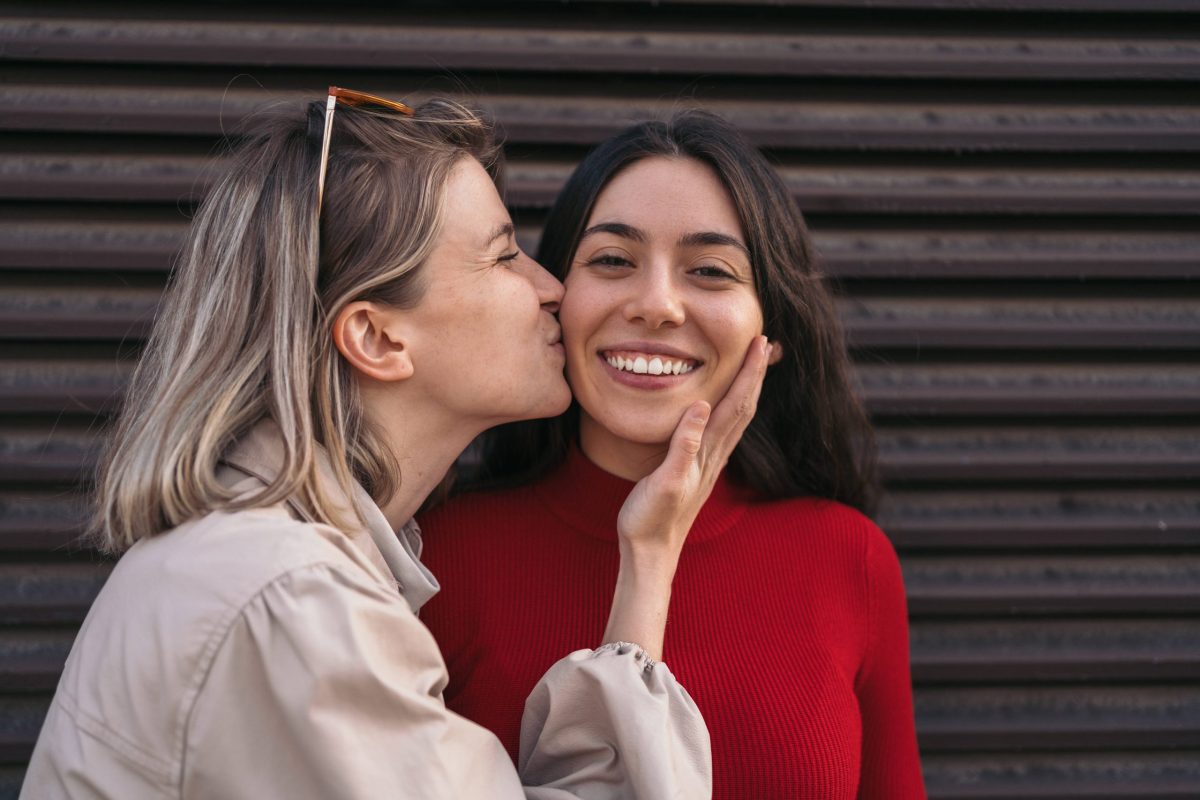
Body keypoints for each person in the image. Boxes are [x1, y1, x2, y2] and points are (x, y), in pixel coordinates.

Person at [21, 89, 770, 799]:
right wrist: (650, 558)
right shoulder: (294, 601)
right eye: (505, 255)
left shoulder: (273, 566)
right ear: (377, 337)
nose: (552, 289)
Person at [418, 111, 928, 799]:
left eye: (711, 271)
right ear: (553, 299)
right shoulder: (439, 558)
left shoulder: (848, 558)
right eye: (612, 261)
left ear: (769, 329)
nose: (656, 304)